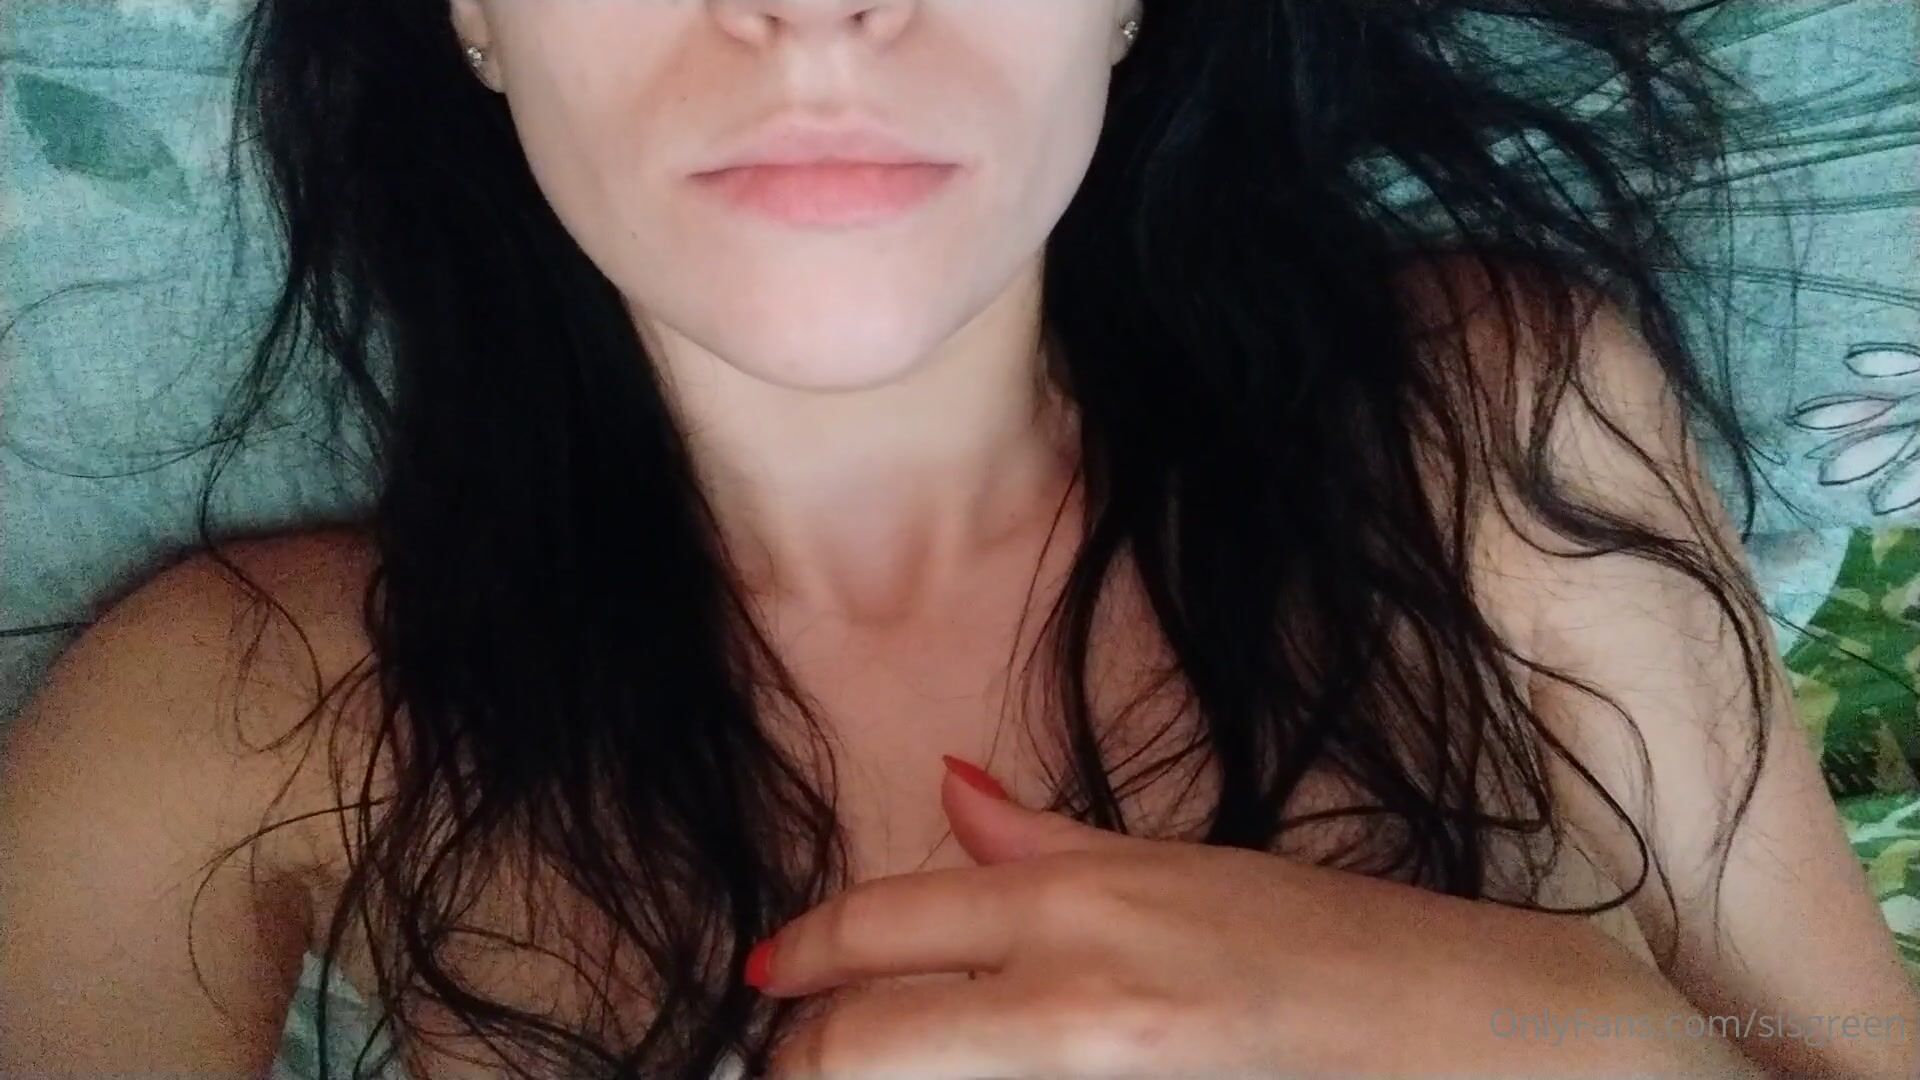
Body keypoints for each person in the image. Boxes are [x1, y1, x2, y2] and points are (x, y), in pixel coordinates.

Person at [3, 0, 1916, 1076]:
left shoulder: (1487, 423)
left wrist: (1587, 1046)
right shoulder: (234, 706)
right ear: (477, 17)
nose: (816, 15)